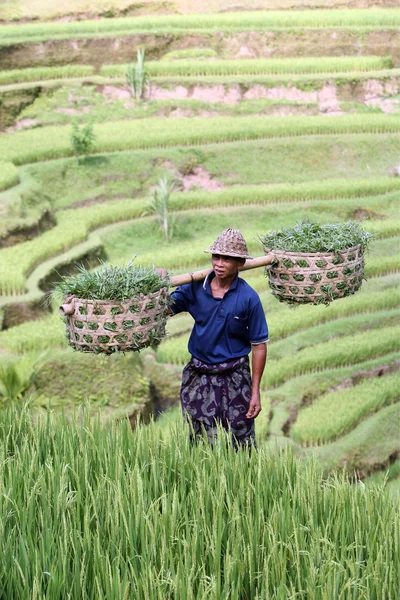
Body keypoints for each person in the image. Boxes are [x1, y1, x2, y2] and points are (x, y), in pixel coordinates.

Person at [159, 228, 269, 448]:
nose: (219, 263)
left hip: (235, 375)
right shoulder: (193, 288)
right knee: (197, 439)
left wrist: (255, 391)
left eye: (226, 259)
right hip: (199, 374)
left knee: (241, 440)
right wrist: (159, 287)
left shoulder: (249, 298)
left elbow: (259, 346)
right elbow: (164, 310)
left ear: (239, 263)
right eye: (216, 257)